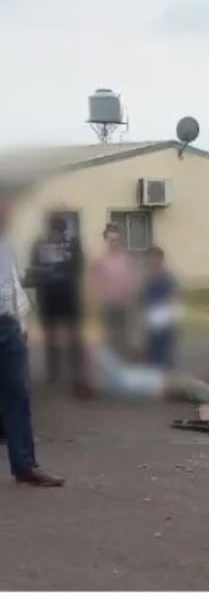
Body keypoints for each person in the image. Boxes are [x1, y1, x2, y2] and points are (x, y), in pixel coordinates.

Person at [0, 186, 65, 486]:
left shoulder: (6, 245)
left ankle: (25, 466)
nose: (8, 211)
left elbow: (12, 285)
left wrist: (21, 323)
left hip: (8, 327)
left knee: (18, 395)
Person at [24, 214, 87, 394]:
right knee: (51, 336)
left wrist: (65, 262)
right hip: (48, 296)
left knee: (74, 335)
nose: (56, 231)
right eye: (53, 228)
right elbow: (33, 266)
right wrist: (42, 273)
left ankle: (77, 373)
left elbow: (80, 266)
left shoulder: (73, 243)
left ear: (64, 229)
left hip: (68, 295)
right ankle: (54, 373)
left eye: (59, 228)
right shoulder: (40, 243)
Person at [91, 344, 209, 406]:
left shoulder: (111, 374)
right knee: (193, 386)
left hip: (154, 381)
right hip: (156, 385)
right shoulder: (112, 381)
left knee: (195, 386)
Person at [88, 223, 137, 357]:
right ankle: (111, 364)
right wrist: (96, 299)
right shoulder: (99, 261)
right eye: (111, 240)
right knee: (108, 337)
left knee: (124, 336)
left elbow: (131, 281)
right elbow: (93, 282)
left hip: (124, 304)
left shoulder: (126, 259)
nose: (114, 243)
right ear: (105, 241)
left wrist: (131, 298)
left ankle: (124, 361)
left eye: (116, 240)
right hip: (107, 305)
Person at [142, 246, 180, 370]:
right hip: (149, 323)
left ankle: (165, 377)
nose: (152, 262)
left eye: (155, 259)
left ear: (161, 260)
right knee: (150, 354)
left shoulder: (168, 279)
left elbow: (173, 300)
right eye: (150, 259)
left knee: (164, 355)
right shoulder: (145, 279)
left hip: (164, 322)